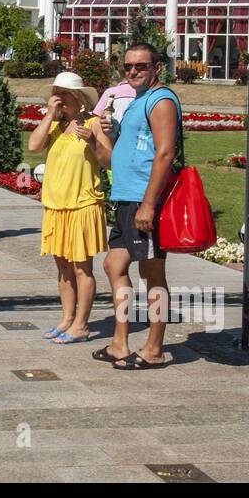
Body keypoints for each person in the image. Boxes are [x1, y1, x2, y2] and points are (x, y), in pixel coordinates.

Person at [101, 42, 180, 370]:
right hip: (126, 199)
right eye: (127, 67)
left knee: (152, 273)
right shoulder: (137, 101)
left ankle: (154, 348)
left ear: (156, 68)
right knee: (113, 266)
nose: (133, 71)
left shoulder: (161, 100)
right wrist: (109, 134)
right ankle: (120, 343)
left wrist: (149, 204)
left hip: (143, 200)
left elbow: (164, 153)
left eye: (141, 66)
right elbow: (131, 148)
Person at [28, 72, 114, 344]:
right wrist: (49, 116)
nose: (60, 98)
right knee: (63, 267)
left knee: (81, 268)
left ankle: (81, 324)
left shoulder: (93, 124)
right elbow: (32, 146)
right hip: (56, 206)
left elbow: (109, 161)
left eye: (64, 94)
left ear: (78, 98)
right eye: (56, 93)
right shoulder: (54, 127)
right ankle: (67, 317)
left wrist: (91, 140)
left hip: (83, 204)